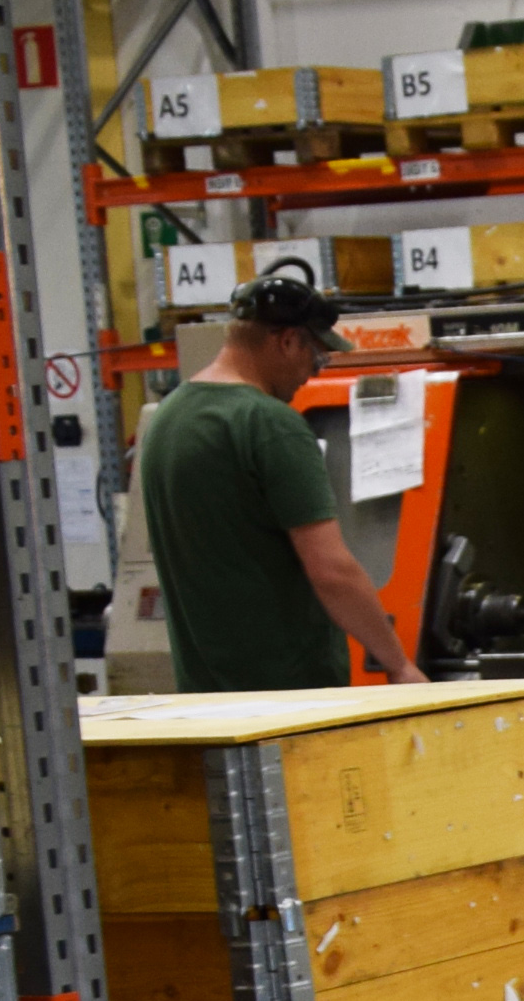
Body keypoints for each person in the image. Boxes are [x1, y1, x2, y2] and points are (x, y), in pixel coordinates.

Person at [135, 266, 423, 689]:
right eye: (316, 356)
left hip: (205, 695)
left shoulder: (168, 416)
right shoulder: (269, 423)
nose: (314, 372)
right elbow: (331, 570)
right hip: (289, 694)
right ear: (287, 341)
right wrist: (398, 665)